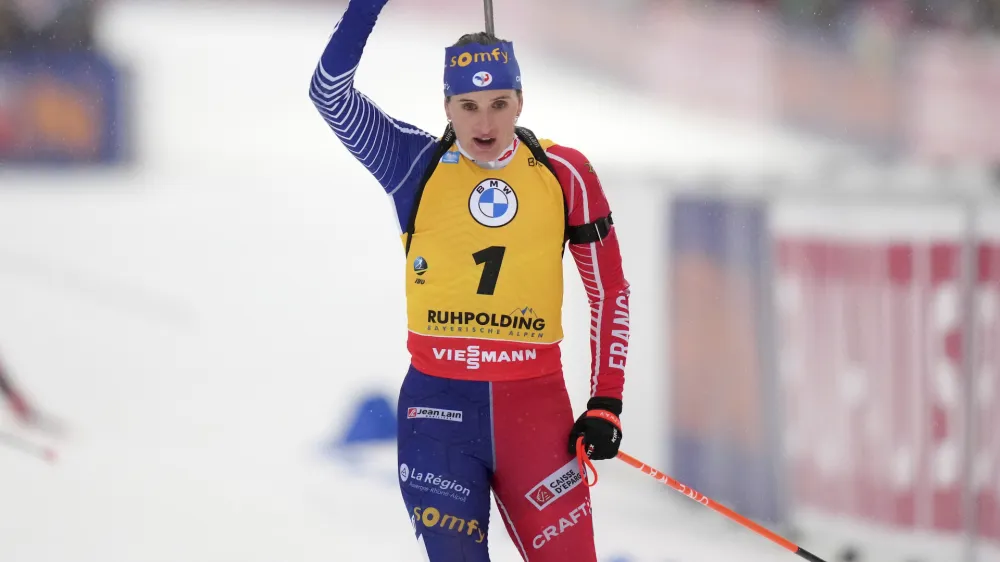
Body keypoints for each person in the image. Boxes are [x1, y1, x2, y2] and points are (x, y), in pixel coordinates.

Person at [309, 1, 631, 559]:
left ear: (521, 101)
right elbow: (329, 94)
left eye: (499, 104)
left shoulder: (565, 172)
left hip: (535, 414)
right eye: (469, 106)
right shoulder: (411, 162)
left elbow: (608, 290)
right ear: (447, 107)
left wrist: (606, 401)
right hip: (438, 416)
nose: (484, 124)